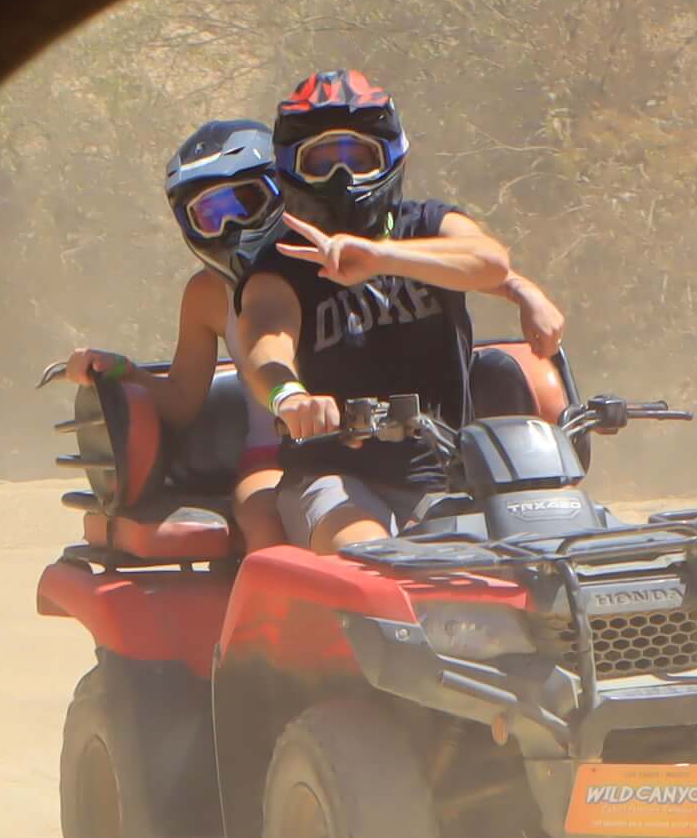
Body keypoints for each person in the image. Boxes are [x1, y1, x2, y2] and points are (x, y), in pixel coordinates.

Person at [234, 69, 552, 555]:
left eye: (357, 158)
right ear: (290, 168)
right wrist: (290, 398)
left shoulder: (426, 223)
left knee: (539, 555)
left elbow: (489, 262)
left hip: (449, 475)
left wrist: (381, 256)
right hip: (334, 476)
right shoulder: (280, 265)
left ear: (390, 157)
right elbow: (266, 346)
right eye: (321, 161)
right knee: (371, 562)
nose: (341, 177)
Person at [57, 119, 292, 551]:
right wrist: (122, 370)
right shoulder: (206, 293)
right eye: (209, 215)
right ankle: (287, 618)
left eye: (244, 202)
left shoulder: (337, 264)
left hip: (363, 446)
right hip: (272, 459)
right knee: (263, 520)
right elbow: (182, 401)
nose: (229, 228)